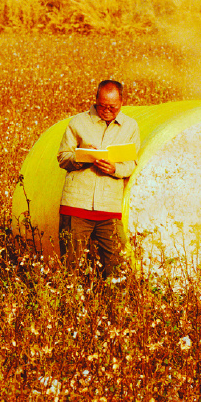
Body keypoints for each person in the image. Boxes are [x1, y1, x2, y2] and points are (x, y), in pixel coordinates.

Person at [57, 80, 141, 280]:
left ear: (122, 102)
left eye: (113, 107)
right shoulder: (78, 123)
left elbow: (133, 163)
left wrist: (114, 169)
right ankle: (70, 306)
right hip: (76, 206)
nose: (107, 111)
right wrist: (82, 158)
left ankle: (113, 306)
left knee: (116, 267)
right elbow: (62, 157)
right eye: (102, 106)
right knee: (71, 266)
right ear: (95, 100)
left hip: (109, 209)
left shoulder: (130, 126)